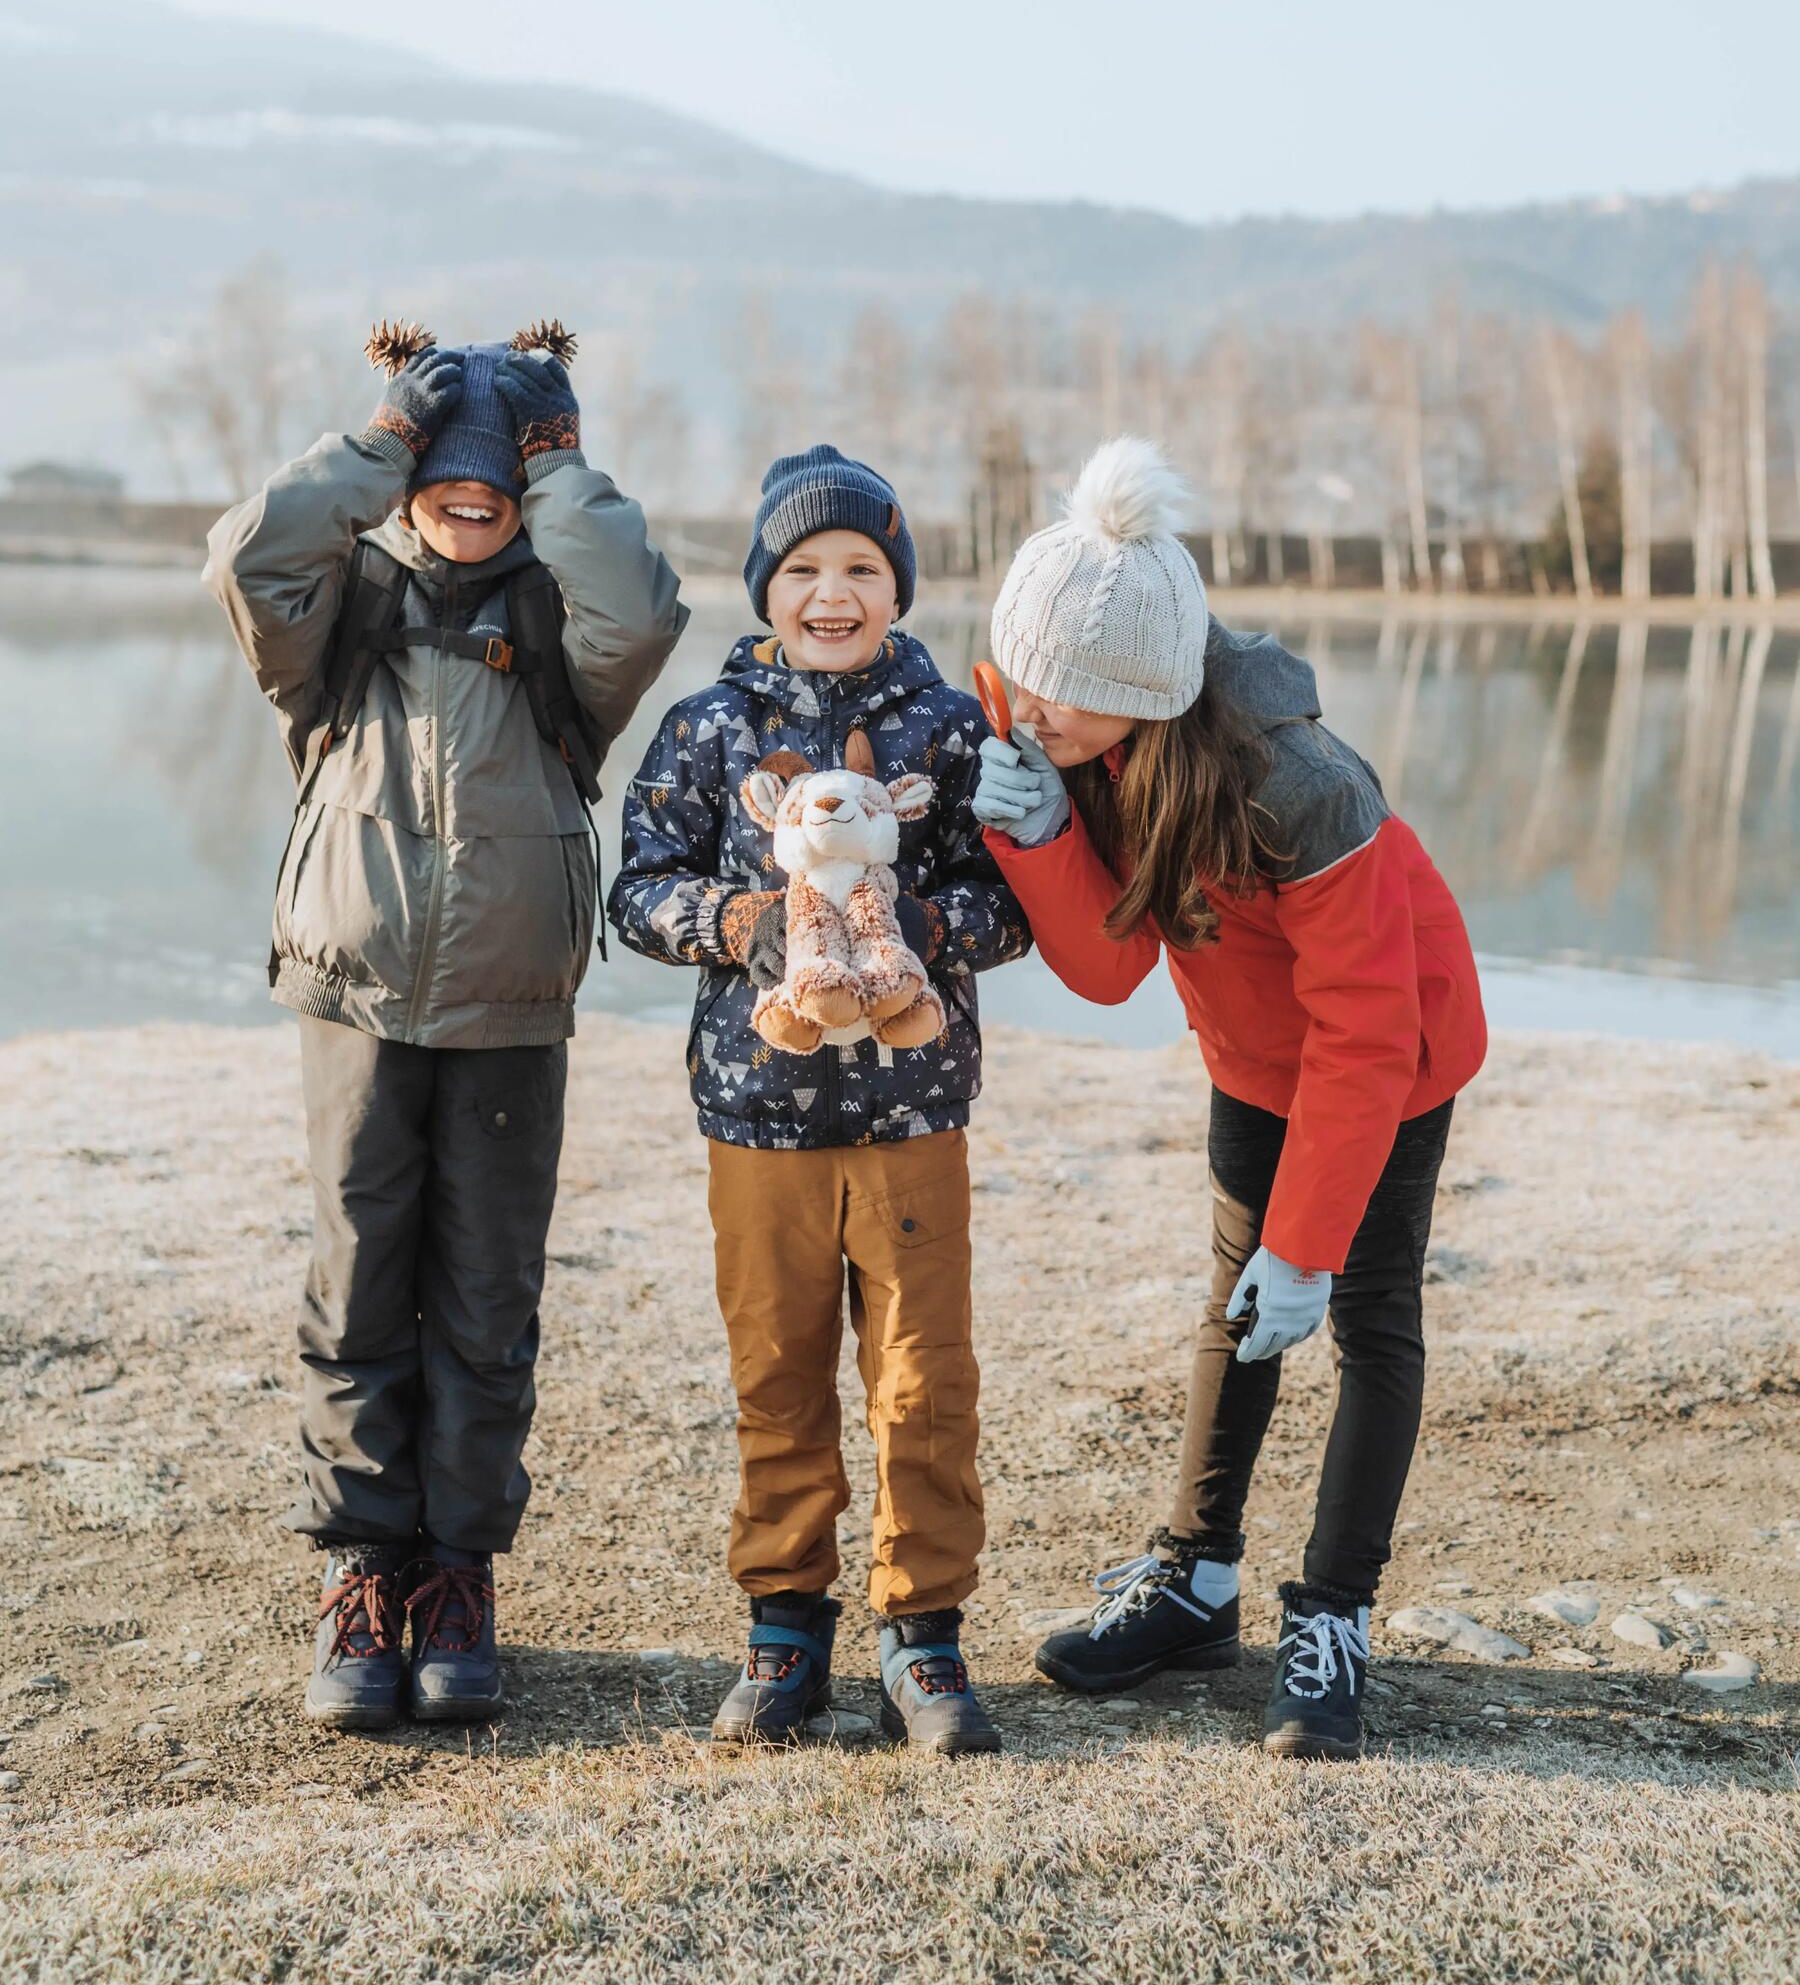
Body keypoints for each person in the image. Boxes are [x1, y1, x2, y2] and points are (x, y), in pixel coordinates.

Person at [971, 438, 1486, 1762]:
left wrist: (1308, 1242)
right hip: (1252, 1057)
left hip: (1390, 1055)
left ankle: (1333, 1617)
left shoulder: (1303, 785)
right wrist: (1033, 843)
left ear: (1140, 694)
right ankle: (1196, 1578)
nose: (1028, 709)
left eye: (1061, 698)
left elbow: (1366, 1036)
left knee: (1360, 1312)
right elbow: (1111, 963)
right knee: (1235, 1302)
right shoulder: (1063, 723)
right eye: (1022, 675)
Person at [206, 319, 685, 1731]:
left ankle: (460, 1575)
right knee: (358, 1287)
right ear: (407, 464)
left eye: (498, 479)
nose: (469, 498)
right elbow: (244, 555)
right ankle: (364, 1572)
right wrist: (374, 448)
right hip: (353, 993)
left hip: (510, 1001)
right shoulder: (332, 605)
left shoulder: (559, 618)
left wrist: (560, 464)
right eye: (446, 469)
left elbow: (646, 610)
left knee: (488, 1297)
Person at [609, 444, 1031, 1755]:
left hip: (914, 1113)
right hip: (760, 1115)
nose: (832, 591)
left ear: (897, 585)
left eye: (861, 567)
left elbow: (1013, 901)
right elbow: (635, 889)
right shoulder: (706, 728)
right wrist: (738, 919)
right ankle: (785, 1627)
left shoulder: (955, 728)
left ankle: (925, 1635)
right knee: (777, 1373)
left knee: (924, 1381)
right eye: (803, 569)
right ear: (764, 587)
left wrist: (911, 919)